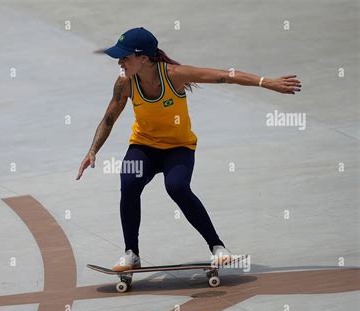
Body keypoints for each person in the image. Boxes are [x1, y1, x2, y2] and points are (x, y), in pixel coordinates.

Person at [76, 27, 301, 272]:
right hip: (144, 146)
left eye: (125, 57)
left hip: (178, 147)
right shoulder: (124, 83)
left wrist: (267, 82)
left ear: (144, 58)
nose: (119, 62)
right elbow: (109, 118)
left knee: (177, 187)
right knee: (129, 183)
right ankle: (132, 253)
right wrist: (92, 150)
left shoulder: (175, 75)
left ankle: (217, 248)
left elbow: (226, 76)